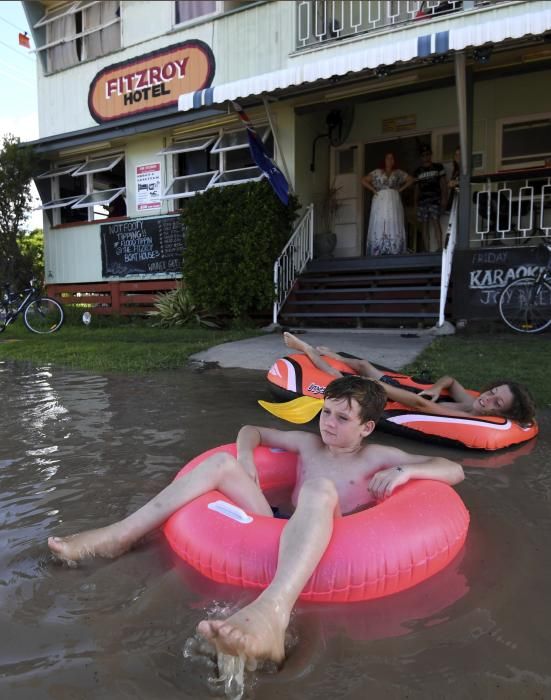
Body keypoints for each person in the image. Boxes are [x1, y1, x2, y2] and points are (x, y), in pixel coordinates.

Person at [47, 375, 464, 668]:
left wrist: (406, 474)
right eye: (326, 412)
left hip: (338, 532)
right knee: (221, 462)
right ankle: (118, 536)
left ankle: (272, 613)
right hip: (279, 523)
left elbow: (453, 468)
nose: (327, 423)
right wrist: (245, 458)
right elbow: (251, 430)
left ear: (367, 427)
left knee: (320, 490)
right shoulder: (308, 445)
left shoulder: (378, 458)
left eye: (341, 418)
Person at [282, 332, 536, 426]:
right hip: (403, 390)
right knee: (362, 364)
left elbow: (422, 406)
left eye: (497, 403)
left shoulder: (469, 417)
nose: (488, 399)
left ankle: (307, 349)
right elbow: (449, 379)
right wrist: (437, 388)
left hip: (399, 399)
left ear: (503, 413)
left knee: (341, 378)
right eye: (493, 392)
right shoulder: (470, 401)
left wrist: (380, 387)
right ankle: (331, 353)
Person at [362, 152, 415, 256]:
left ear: (394, 161)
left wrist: (401, 189)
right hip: (380, 200)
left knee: (393, 220)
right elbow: (363, 180)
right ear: (384, 160)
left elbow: (411, 179)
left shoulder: (398, 173)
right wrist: (373, 190)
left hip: (393, 200)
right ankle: (378, 249)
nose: (390, 160)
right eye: (387, 158)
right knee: (380, 221)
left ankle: (394, 249)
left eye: (392, 158)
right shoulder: (377, 172)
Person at [414, 145, 448, 252]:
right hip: (422, 201)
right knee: (424, 225)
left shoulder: (438, 167)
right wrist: (415, 204)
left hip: (435, 199)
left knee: (435, 222)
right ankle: (426, 250)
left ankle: (440, 248)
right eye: (423, 155)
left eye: (427, 154)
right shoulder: (417, 171)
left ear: (431, 154)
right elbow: (416, 189)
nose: (426, 157)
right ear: (420, 157)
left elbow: (443, 184)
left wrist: (444, 199)